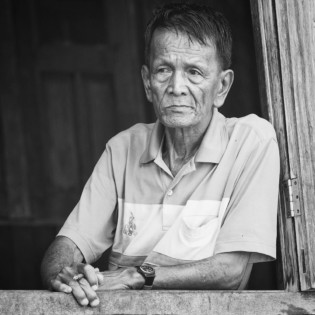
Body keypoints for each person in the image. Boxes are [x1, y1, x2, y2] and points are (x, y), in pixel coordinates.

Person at [41, 3, 280, 307]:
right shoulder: (123, 148)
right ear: (147, 82)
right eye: (164, 70)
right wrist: (63, 274)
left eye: (194, 72)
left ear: (221, 86)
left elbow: (230, 270)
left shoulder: (251, 142)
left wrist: (136, 276)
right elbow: (68, 244)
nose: (176, 87)